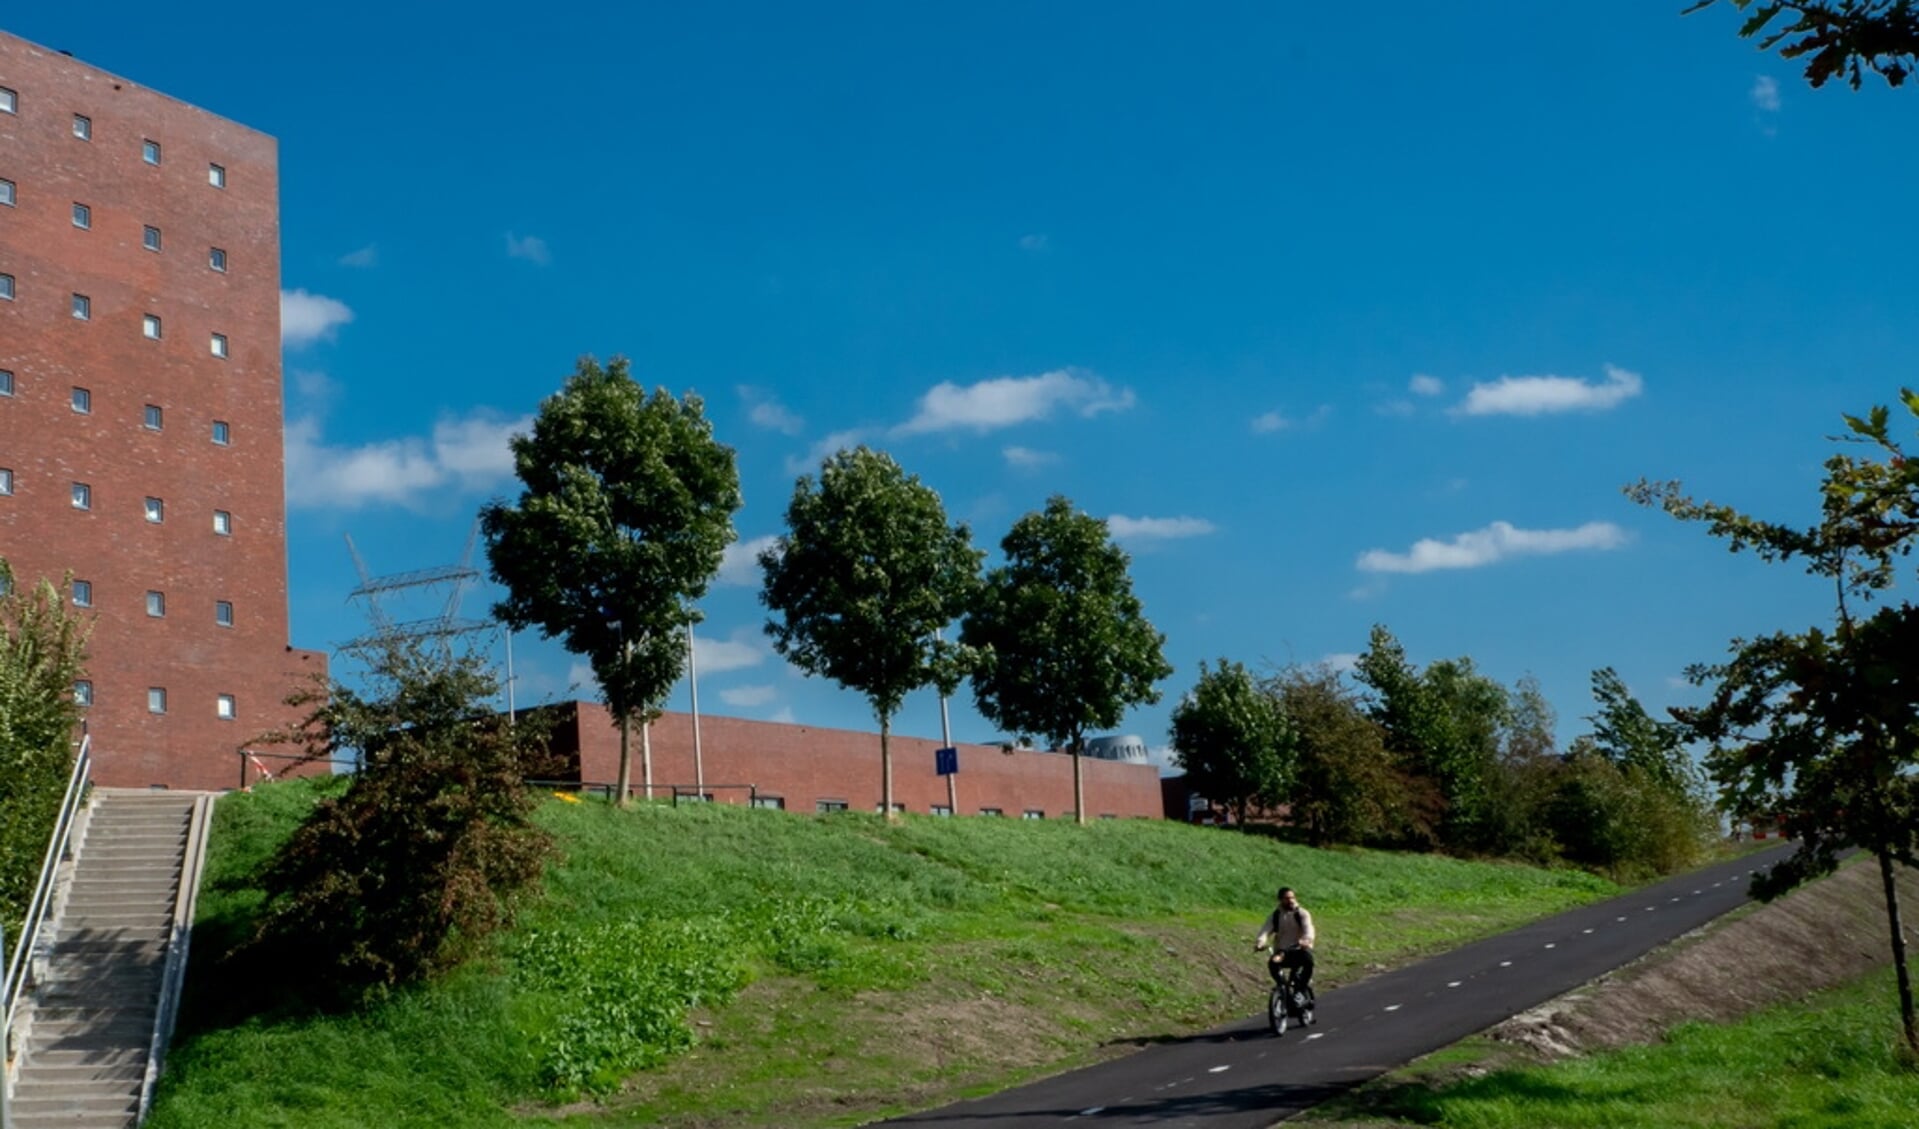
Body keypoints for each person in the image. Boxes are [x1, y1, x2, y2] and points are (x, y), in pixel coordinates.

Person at [1254, 886, 1316, 1000]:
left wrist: (1306, 940)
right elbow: (1265, 930)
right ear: (1280, 900)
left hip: (1299, 950)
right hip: (1282, 951)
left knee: (1308, 961)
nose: (1291, 900)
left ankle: (1301, 989)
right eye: (1287, 898)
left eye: (1292, 897)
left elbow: (1309, 928)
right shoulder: (1276, 916)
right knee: (1273, 964)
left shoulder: (1302, 913)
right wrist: (1260, 942)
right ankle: (1282, 988)